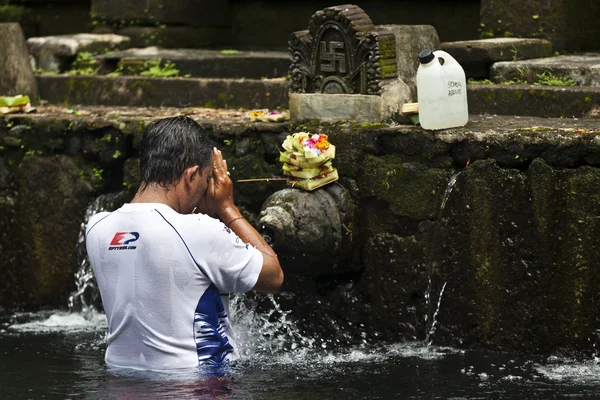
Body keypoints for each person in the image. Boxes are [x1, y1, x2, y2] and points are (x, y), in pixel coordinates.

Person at [85, 116, 283, 370]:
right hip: (197, 385)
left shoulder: (98, 227)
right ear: (190, 176)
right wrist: (226, 207)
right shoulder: (199, 231)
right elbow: (273, 277)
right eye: (206, 178)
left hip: (122, 380)